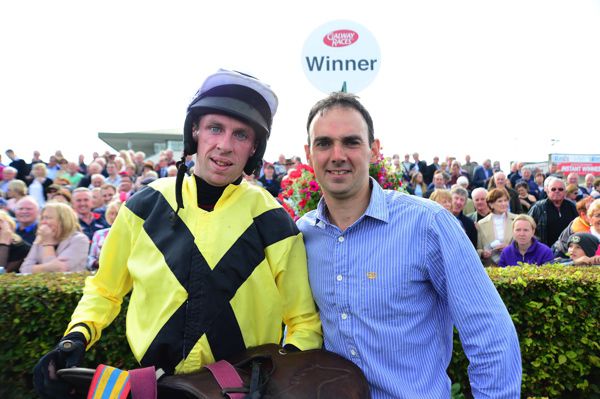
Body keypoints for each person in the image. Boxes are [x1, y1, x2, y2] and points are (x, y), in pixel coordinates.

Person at [33, 69, 322, 397]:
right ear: (195, 130)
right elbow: (105, 290)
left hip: (239, 390)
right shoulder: (145, 205)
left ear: (254, 146)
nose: (224, 145)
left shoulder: (273, 220)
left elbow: (302, 321)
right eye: (215, 128)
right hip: (154, 386)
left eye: (240, 134)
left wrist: (287, 375)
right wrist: (76, 336)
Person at [297, 92, 521, 398]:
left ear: (373, 150)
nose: (337, 155)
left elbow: (490, 334)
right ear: (309, 153)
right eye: (324, 143)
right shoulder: (303, 234)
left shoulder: (427, 225)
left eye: (351, 142)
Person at [20, 202, 89, 273]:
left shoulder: (79, 240)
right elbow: (24, 269)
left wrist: (47, 243)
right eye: (42, 218)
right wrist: (49, 267)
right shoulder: (41, 238)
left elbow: (57, 271)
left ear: (63, 220)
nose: (43, 222)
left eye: (48, 218)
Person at [528, 177, 578, 246]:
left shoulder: (572, 206)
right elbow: (527, 227)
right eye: (553, 189)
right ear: (548, 192)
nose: (557, 191)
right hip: (544, 251)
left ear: (565, 192)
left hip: (567, 251)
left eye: (560, 189)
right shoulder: (538, 207)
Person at [476, 188, 518, 266]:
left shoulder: (517, 220)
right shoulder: (481, 223)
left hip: (513, 265)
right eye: (500, 201)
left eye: (506, 200)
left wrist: (509, 248)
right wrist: (482, 253)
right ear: (491, 204)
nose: (504, 204)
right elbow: (479, 248)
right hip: (491, 267)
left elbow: (526, 243)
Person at [87, 200, 122, 270]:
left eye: (117, 213)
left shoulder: (130, 234)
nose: (114, 217)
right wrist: (97, 263)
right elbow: (91, 258)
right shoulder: (99, 234)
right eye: (111, 213)